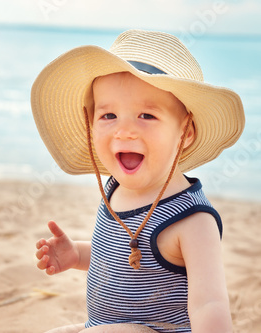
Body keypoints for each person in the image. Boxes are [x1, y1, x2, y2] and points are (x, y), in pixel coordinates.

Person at [31, 29, 245, 333]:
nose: (125, 131)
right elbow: (126, 260)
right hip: (104, 326)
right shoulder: (114, 189)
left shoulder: (193, 220)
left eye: (146, 115)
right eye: (108, 116)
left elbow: (209, 303)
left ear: (186, 133)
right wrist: (77, 254)